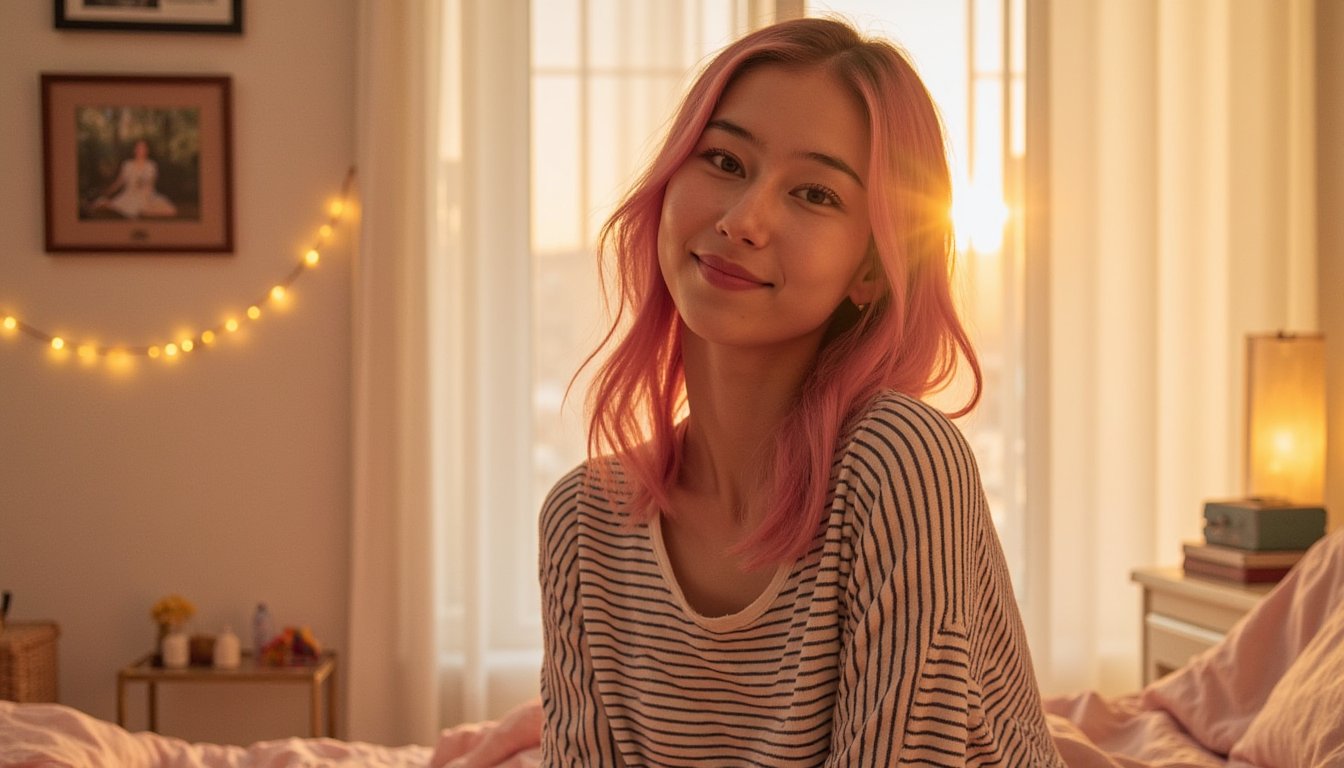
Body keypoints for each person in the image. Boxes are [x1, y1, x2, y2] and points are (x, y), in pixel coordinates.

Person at [435, 16, 1062, 768]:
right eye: (725, 160)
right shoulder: (583, 524)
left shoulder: (901, 464)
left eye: (815, 194)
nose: (744, 220)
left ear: (871, 268)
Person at [89, 139, 178, 219]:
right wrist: (108, 191)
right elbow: (120, 181)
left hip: (146, 195)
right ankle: (102, 205)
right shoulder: (127, 164)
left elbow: (151, 183)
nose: (141, 150)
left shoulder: (151, 165)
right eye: (139, 148)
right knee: (120, 205)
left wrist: (146, 195)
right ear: (135, 150)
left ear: (147, 150)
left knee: (170, 211)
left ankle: (142, 212)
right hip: (129, 194)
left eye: (143, 148)